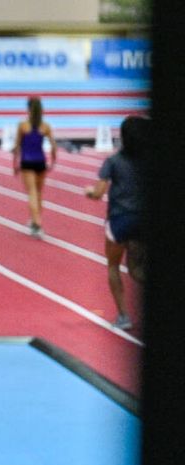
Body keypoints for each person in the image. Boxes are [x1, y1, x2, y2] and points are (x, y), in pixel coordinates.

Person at [86, 115, 148, 330]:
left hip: (120, 221)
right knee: (137, 270)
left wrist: (89, 192)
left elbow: (98, 193)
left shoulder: (112, 161)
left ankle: (123, 316)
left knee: (113, 266)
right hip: (143, 220)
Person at [13, 95, 56, 238]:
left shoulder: (23, 125)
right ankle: (35, 220)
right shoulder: (45, 126)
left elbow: (17, 146)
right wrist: (53, 162)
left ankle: (37, 224)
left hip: (27, 162)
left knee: (31, 193)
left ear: (28, 109)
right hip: (40, 162)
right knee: (38, 193)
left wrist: (14, 164)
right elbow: (54, 147)